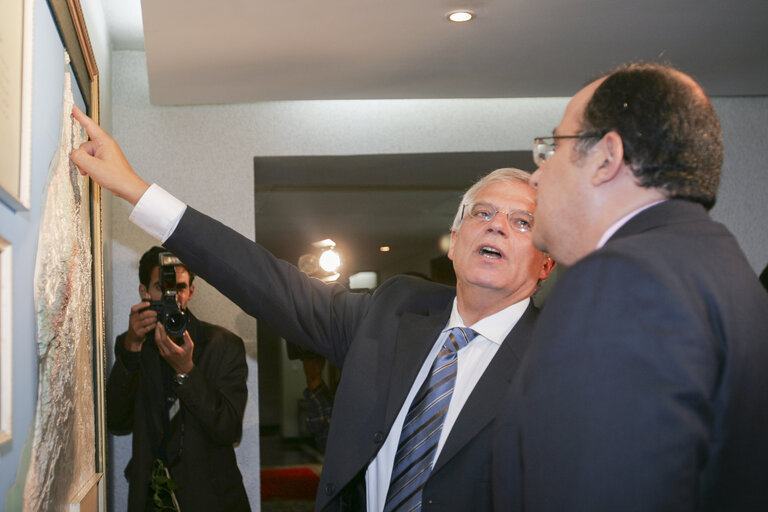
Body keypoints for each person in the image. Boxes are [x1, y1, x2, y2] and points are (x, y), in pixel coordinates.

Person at [70, 115, 554, 512]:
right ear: (455, 241)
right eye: (482, 213)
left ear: (548, 259)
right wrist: (135, 190)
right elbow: (264, 280)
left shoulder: (564, 363)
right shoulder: (394, 309)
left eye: (522, 222)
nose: (496, 227)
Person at [493, 62, 768, 511]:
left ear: (607, 157)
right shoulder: (729, 274)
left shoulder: (621, 282)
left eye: (552, 148)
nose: (537, 175)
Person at [106, 246, 250, 511]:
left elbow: (229, 429)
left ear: (191, 292)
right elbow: (116, 422)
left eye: (180, 288)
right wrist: (131, 350)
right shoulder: (132, 346)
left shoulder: (223, 345)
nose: (173, 296)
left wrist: (187, 372)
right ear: (144, 292)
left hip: (212, 499)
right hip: (153, 499)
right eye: (163, 287)